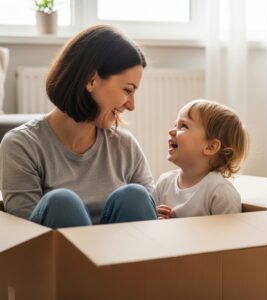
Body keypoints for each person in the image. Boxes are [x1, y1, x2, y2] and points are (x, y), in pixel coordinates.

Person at [0, 25, 158, 228]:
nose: (131, 105)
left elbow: (153, 211)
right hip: (56, 257)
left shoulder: (125, 146)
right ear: (90, 80)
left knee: (135, 195)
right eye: (127, 90)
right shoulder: (21, 146)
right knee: (61, 202)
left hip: (121, 255)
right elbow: (25, 239)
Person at [152, 99, 249, 219]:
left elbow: (229, 236)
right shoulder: (164, 183)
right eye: (175, 125)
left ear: (210, 147)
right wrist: (153, 217)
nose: (171, 131)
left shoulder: (220, 192)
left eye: (183, 126)